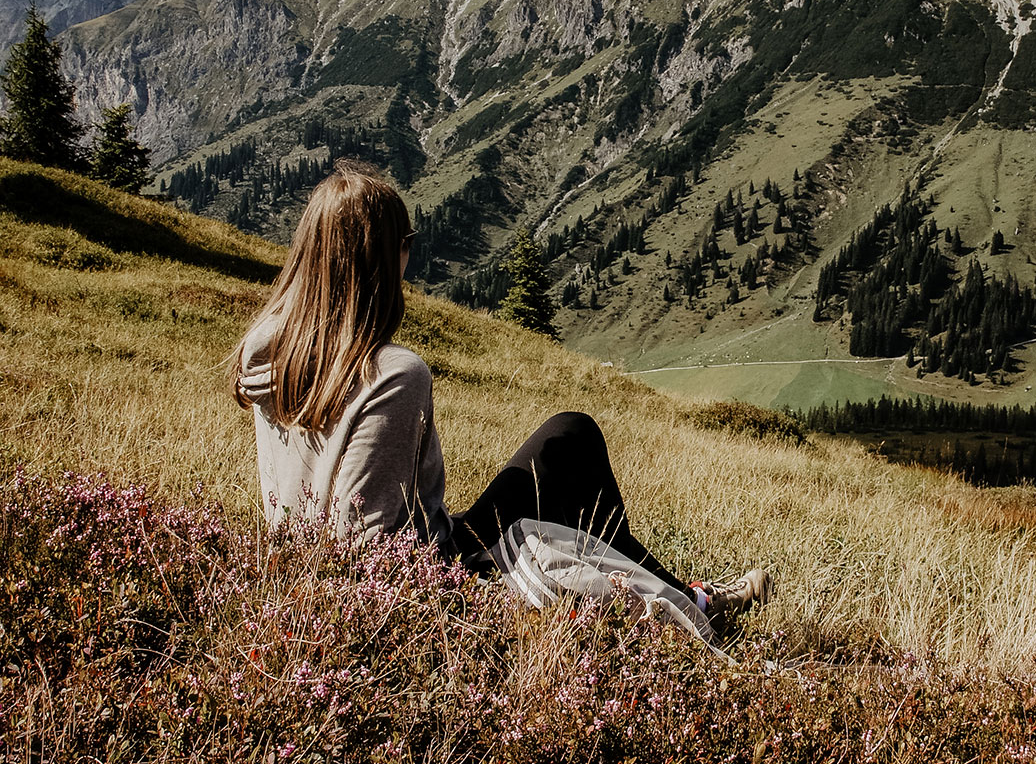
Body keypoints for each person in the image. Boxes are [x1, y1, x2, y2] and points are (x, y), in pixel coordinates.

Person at [229, 163, 769, 629]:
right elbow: (366, 543)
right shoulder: (394, 376)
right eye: (405, 246)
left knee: (565, 441)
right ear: (380, 260)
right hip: (421, 574)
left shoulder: (268, 348)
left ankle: (687, 594)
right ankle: (693, 602)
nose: (408, 259)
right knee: (572, 441)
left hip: (300, 567)